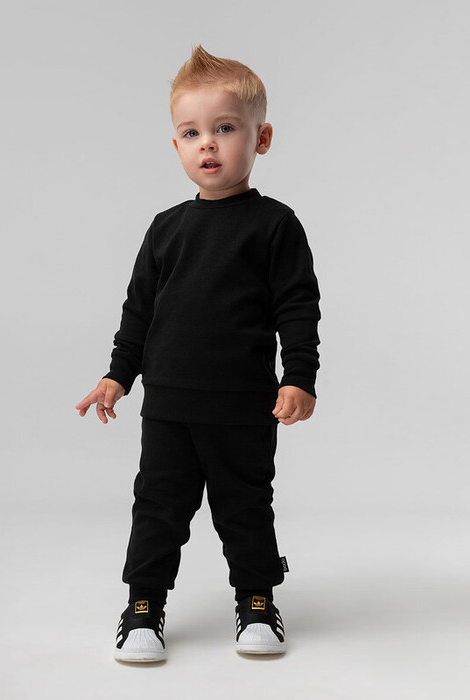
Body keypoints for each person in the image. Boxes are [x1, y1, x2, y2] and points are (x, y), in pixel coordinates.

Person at [75, 44, 321, 663]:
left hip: (244, 407)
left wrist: (299, 376)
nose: (207, 144)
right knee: (157, 509)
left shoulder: (275, 225)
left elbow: (297, 306)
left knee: (246, 507)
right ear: (177, 145)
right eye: (191, 133)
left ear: (262, 138)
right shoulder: (165, 228)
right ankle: (143, 607)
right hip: (169, 409)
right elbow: (139, 311)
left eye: (225, 128)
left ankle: (257, 601)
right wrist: (117, 376)